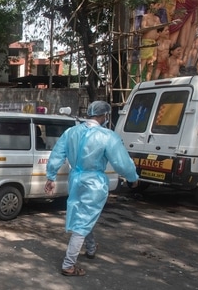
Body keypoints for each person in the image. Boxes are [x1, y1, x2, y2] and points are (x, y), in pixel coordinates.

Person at [44, 101, 138, 277]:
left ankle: (91, 247)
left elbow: (57, 154)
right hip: (94, 182)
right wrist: (133, 178)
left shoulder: (71, 132)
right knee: (83, 221)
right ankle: (69, 264)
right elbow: (122, 162)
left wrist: (51, 176)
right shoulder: (107, 136)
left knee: (84, 215)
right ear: (105, 116)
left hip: (76, 180)